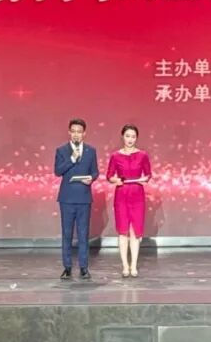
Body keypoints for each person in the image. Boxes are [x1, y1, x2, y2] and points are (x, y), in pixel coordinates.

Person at [103, 124, 151, 277]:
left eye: (133, 137)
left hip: (137, 194)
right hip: (122, 194)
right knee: (123, 231)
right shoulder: (115, 156)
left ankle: (134, 266)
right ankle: (125, 266)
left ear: (136, 138)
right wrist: (115, 180)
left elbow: (148, 174)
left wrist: (144, 179)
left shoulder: (143, 155)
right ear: (122, 136)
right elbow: (109, 175)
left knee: (135, 231)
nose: (130, 139)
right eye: (127, 136)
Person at [54, 118, 99, 280]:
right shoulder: (62, 150)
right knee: (67, 234)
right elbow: (58, 171)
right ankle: (67, 267)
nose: (76, 134)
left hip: (84, 198)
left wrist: (91, 178)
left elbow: (95, 171)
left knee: (83, 234)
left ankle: (83, 267)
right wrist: (72, 159)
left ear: (84, 133)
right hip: (67, 198)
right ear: (69, 132)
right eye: (73, 131)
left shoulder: (90, 151)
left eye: (79, 132)